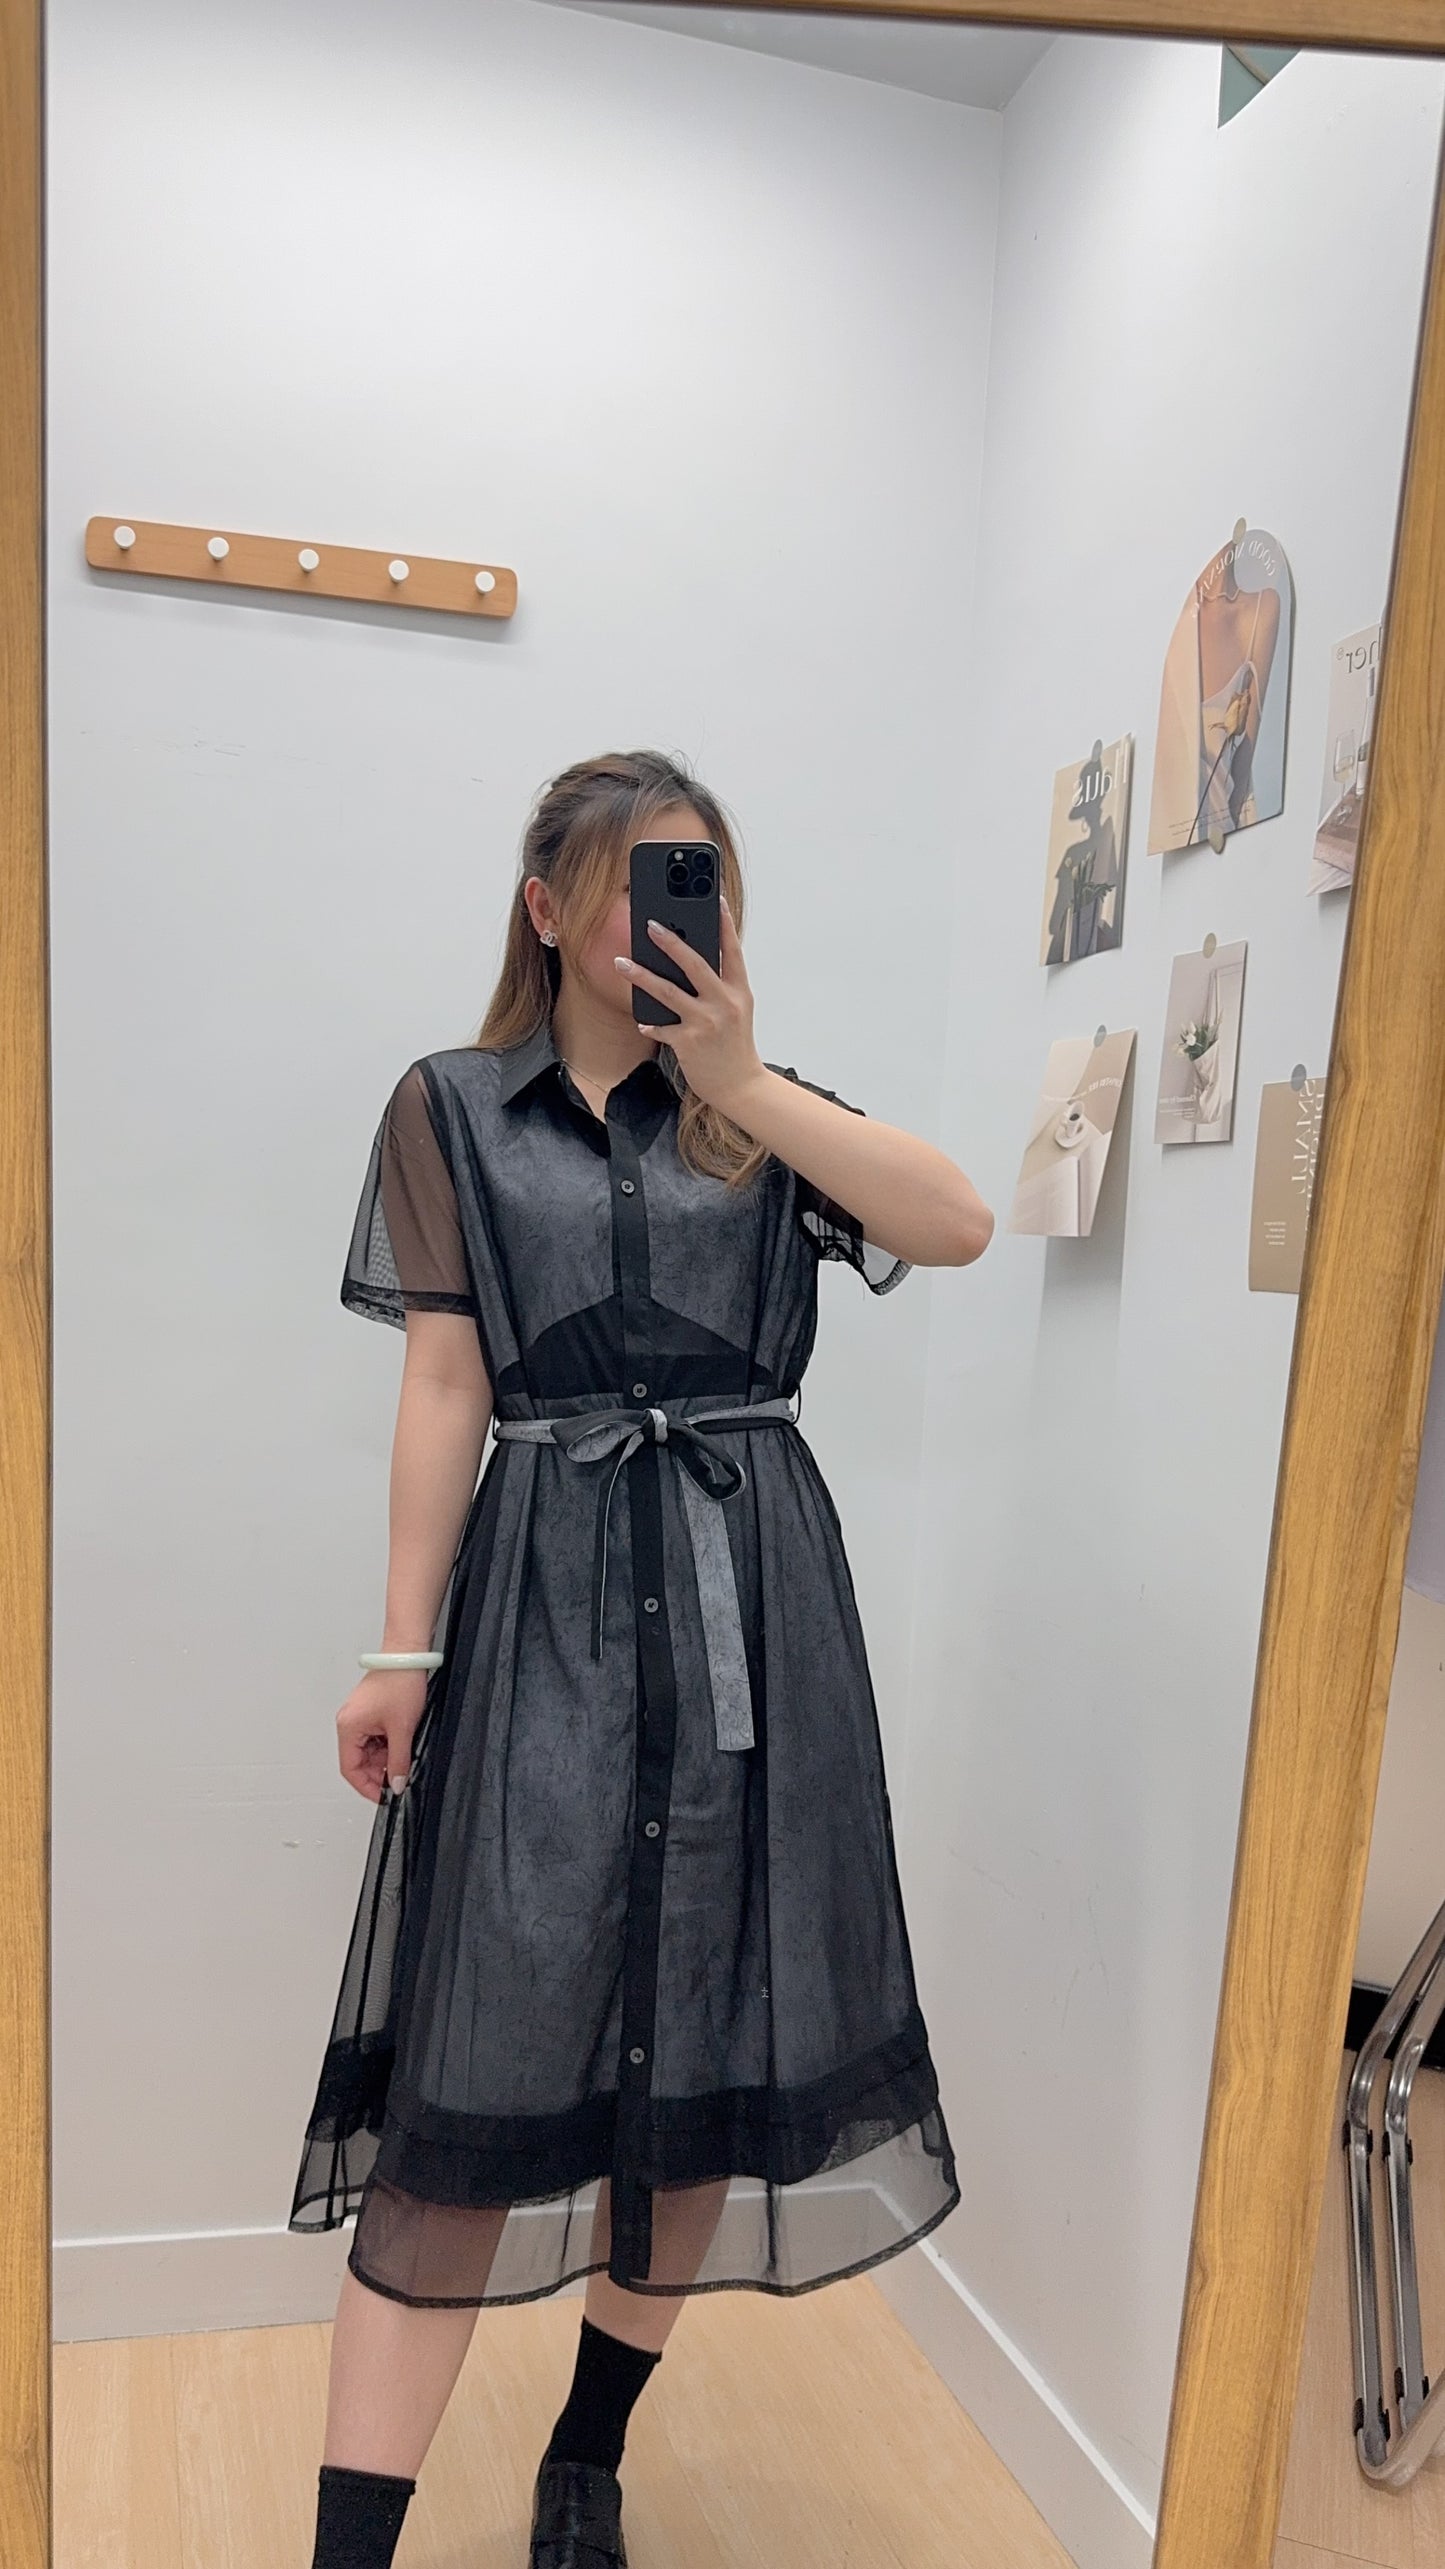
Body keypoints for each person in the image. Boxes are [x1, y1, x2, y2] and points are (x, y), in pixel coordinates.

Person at [288, 750, 995, 2568]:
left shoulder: (761, 1113)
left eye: (699, 881)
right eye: (628, 882)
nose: (667, 918)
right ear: (545, 908)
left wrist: (742, 1082)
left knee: (689, 2077)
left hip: (753, 1618)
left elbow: (955, 1223)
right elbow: (445, 1377)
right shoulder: (450, 1108)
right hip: (542, 1618)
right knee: (466, 2087)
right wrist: (398, 1646)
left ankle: (585, 2456)